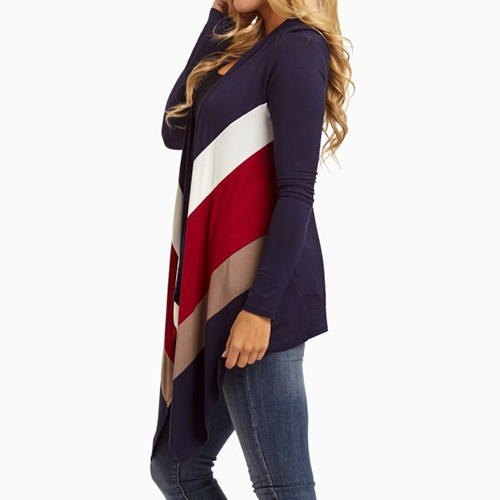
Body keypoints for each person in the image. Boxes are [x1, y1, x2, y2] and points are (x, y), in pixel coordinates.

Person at [150, 0, 353, 498]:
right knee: (175, 470)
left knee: (282, 488)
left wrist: (260, 311)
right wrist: (219, 17)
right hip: (217, 294)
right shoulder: (243, 44)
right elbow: (174, 129)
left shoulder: (299, 47)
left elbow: (297, 191)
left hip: (259, 302)